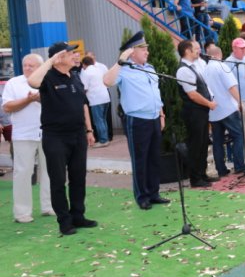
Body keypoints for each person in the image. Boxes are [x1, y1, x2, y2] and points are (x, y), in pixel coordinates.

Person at [27, 42, 97, 235]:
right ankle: (64, 221)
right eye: (70, 53)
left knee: (78, 177)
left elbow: (83, 104)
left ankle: (78, 216)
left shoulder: (75, 76)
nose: (75, 56)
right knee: (58, 180)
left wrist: (89, 130)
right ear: (58, 58)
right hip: (56, 137)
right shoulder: (48, 77)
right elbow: (32, 82)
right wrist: (50, 61)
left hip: (78, 135)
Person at [103, 32, 169, 210]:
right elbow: (107, 81)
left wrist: (161, 114)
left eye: (146, 48)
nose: (147, 51)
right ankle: (142, 196)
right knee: (140, 159)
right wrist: (120, 60)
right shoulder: (123, 70)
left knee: (154, 158)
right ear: (132, 52)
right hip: (137, 120)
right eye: (143, 48)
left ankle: (154, 193)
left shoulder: (150, 68)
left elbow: (156, 93)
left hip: (154, 117)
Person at [3, 54, 54, 223]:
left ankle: (49, 206)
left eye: (32, 65)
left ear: (41, 67)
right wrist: (28, 99)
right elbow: (8, 106)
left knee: (51, 171)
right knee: (23, 173)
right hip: (23, 134)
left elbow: (59, 104)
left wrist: (41, 99)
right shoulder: (14, 83)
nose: (27, 68)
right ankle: (22, 212)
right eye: (25, 65)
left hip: (48, 133)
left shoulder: (49, 80)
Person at [176, 40, 217, 188]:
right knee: (195, 145)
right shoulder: (183, 70)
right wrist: (209, 103)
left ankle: (202, 174)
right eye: (195, 49)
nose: (198, 51)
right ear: (187, 51)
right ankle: (195, 178)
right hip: (194, 113)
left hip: (201, 112)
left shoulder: (193, 66)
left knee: (203, 143)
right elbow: (192, 94)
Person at [204, 55, 245, 177]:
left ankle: (221, 169)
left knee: (217, 141)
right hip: (227, 108)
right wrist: (239, 102)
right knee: (238, 136)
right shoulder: (221, 66)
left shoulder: (204, 69)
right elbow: (231, 86)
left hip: (214, 110)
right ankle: (239, 165)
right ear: (218, 55)